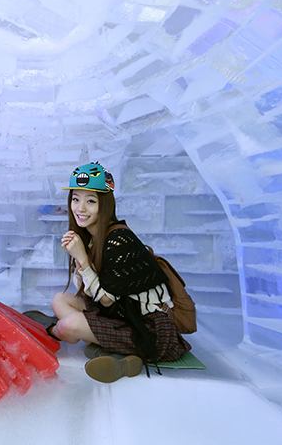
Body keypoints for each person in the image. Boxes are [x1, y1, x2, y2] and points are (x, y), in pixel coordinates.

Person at [24, 162, 191, 383]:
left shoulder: (119, 239)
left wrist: (82, 258)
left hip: (148, 327)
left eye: (90, 201)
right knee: (60, 299)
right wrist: (80, 258)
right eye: (76, 199)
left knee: (70, 325)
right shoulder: (91, 236)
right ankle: (115, 352)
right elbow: (89, 291)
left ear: (105, 205)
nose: (80, 208)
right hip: (121, 314)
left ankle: (50, 330)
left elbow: (104, 299)